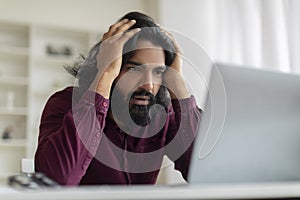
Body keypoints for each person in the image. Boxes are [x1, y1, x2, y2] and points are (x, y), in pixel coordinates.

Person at [34, 11, 201, 185]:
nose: (149, 85)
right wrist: (104, 74)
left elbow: (206, 174)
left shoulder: (161, 115)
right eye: (134, 69)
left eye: (158, 72)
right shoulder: (64, 104)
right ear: (112, 65)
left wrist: (179, 87)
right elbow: (57, 181)